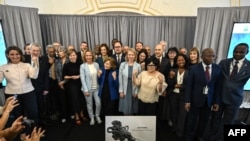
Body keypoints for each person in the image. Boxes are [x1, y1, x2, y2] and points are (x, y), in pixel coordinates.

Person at [209, 43, 250, 141]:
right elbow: (216, 78)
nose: (237, 54)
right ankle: (212, 138)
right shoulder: (224, 62)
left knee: (229, 122)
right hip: (220, 98)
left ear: (247, 52)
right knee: (215, 120)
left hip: (234, 99)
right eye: (235, 51)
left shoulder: (249, 66)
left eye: (241, 52)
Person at [185, 48, 221, 141]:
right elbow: (189, 86)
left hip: (209, 100)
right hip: (195, 99)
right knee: (192, 120)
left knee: (204, 120)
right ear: (202, 57)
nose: (211, 58)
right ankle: (189, 136)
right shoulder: (194, 68)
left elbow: (218, 87)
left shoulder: (218, 68)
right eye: (208, 56)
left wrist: (216, 102)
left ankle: (199, 135)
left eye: (213, 56)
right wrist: (187, 101)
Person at [0, 46, 39, 126]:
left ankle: (34, 131)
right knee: (18, 114)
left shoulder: (26, 65)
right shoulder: (3, 67)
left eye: (17, 54)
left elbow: (34, 76)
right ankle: (22, 132)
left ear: (20, 55)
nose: (15, 56)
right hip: (12, 94)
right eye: (12, 54)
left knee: (33, 112)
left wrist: (35, 63)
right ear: (8, 55)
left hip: (28, 92)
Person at [24, 43, 50, 124]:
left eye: (37, 50)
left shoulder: (43, 59)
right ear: (30, 50)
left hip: (40, 87)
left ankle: (42, 120)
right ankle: (34, 122)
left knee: (41, 105)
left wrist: (46, 88)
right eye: (34, 50)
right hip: (27, 87)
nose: (36, 52)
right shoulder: (25, 60)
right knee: (31, 106)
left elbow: (46, 75)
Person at [167, 54, 189, 138]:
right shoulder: (172, 70)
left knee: (182, 114)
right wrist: (171, 77)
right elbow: (169, 83)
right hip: (173, 95)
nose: (181, 61)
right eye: (179, 60)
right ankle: (174, 128)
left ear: (185, 60)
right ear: (176, 62)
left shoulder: (189, 71)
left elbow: (189, 85)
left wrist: (180, 86)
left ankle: (180, 132)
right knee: (173, 113)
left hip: (183, 96)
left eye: (182, 60)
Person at [63, 49, 86, 125]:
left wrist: (78, 76)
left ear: (76, 55)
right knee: (75, 100)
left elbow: (84, 73)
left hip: (81, 83)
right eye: (71, 55)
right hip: (72, 85)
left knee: (82, 99)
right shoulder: (66, 65)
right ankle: (77, 116)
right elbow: (64, 76)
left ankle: (82, 114)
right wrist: (71, 77)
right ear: (68, 57)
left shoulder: (81, 63)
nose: (72, 57)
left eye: (74, 55)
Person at [80, 50, 102, 125]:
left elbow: (99, 76)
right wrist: (85, 90)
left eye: (90, 55)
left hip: (97, 88)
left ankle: (97, 116)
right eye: (87, 55)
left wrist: (100, 74)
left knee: (98, 103)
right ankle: (92, 117)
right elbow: (82, 79)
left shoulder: (96, 64)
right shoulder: (82, 66)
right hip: (87, 89)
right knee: (90, 104)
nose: (88, 57)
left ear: (92, 56)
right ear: (85, 57)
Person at [118, 48, 141, 115]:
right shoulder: (123, 64)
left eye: (132, 55)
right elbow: (120, 78)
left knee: (133, 106)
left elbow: (139, 80)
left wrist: (136, 92)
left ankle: (131, 121)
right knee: (125, 105)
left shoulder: (138, 65)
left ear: (135, 56)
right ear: (127, 56)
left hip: (134, 87)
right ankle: (126, 119)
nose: (130, 56)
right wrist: (121, 91)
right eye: (129, 55)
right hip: (125, 87)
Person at [55, 46, 70, 123]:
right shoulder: (57, 61)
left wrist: (64, 82)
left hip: (69, 83)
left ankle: (71, 113)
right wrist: (59, 82)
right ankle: (64, 116)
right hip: (60, 84)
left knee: (69, 99)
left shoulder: (69, 60)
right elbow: (56, 73)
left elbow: (70, 72)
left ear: (65, 52)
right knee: (62, 100)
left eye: (61, 51)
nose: (59, 53)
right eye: (58, 51)